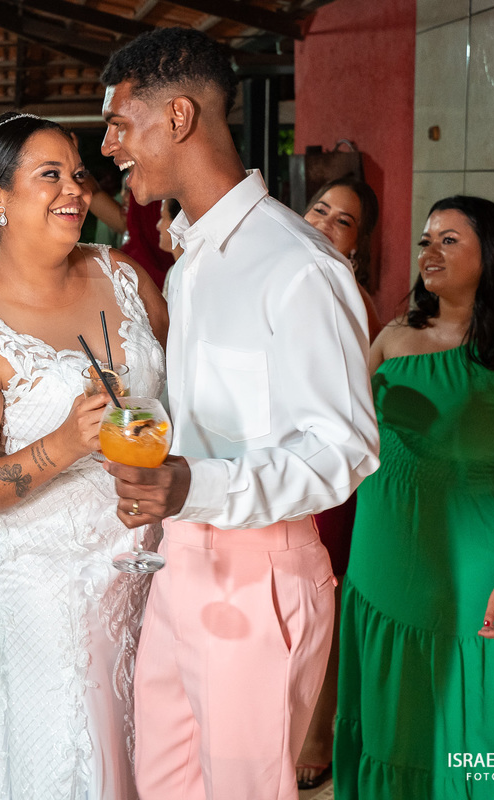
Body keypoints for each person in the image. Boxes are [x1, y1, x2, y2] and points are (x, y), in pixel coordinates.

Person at [99, 28, 378, 800]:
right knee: (160, 784)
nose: (111, 146)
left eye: (121, 123)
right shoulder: (193, 263)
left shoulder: (298, 267)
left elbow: (343, 450)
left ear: (180, 117)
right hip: (179, 564)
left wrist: (195, 485)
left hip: (260, 580)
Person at [0, 112, 169, 798]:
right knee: (69, 745)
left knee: (143, 734)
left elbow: (187, 387)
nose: (74, 190)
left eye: (79, 174)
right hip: (42, 577)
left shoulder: (121, 275)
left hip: (146, 553)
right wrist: (62, 444)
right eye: (50, 175)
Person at [334, 196, 494, 799]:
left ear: (491, 255)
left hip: (464, 561)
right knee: (388, 710)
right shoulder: (394, 335)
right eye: (426, 240)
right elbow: (337, 426)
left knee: (457, 720)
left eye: (449, 241)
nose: (428, 252)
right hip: (381, 547)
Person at [296, 175, 384, 789]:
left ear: (357, 245)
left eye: (343, 221)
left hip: (324, 476)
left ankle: (319, 733)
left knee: (320, 604)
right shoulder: (290, 276)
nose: (324, 222)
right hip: (276, 467)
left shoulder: (350, 295)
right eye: (319, 209)